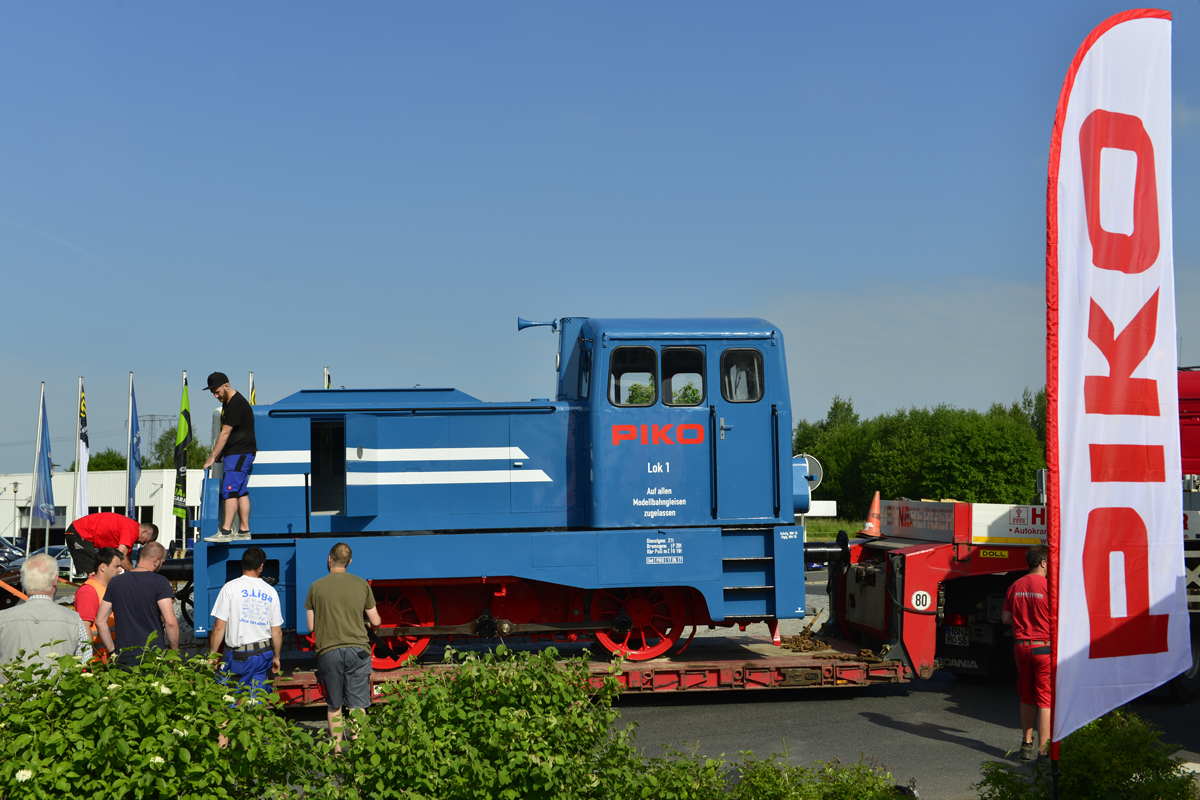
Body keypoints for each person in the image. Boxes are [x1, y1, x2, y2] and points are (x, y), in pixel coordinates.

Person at [304, 542, 381, 743]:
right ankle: (358, 749)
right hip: (358, 651)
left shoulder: (316, 587)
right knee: (357, 706)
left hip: (328, 652)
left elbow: (310, 627)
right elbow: (375, 621)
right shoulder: (362, 584)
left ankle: (337, 753)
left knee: (334, 705)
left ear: (329, 559)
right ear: (350, 562)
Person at [0, 554, 92, 680]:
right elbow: (84, 662)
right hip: (57, 697)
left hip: (12, 697)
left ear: (22, 582)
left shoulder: (3, 618)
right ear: (55, 580)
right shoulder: (74, 620)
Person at [210, 546, 283, 693]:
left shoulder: (230, 587)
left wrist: (212, 656)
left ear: (242, 564)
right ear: (261, 566)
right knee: (258, 701)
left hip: (238, 657)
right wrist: (276, 657)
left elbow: (219, 627)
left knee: (227, 700)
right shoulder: (271, 591)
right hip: (264, 654)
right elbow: (277, 631)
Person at [1003, 544, 1051, 763]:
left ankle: (1026, 745)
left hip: (1021, 647)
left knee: (1026, 695)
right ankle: (1043, 752)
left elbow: (1005, 618)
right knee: (1045, 700)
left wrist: (1024, 621)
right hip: (1043, 648)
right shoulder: (1050, 587)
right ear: (1042, 563)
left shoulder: (1015, 585)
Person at [95, 541, 179, 667]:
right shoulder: (160, 582)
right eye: (162, 562)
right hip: (152, 655)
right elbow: (170, 622)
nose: (161, 566)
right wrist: (173, 654)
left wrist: (112, 651)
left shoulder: (115, 582)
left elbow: (100, 621)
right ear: (156, 561)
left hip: (124, 656)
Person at [202, 371, 257, 543]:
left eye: (217, 391)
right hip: (239, 453)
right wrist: (223, 453)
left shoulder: (234, 403)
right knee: (240, 492)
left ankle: (225, 532)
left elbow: (225, 433)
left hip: (239, 453)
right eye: (213, 393)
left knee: (230, 491)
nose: (216, 396)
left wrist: (212, 457)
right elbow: (233, 433)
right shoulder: (229, 402)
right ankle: (243, 531)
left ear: (226, 385)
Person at [64, 511, 157, 574]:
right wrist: (135, 574)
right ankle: (92, 594)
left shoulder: (131, 528)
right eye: (145, 541)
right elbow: (121, 555)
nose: (142, 544)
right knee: (92, 570)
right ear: (144, 532)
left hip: (83, 534)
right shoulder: (132, 529)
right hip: (79, 532)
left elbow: (127, 558)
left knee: (98, 568)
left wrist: (133, 569)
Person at [74, 546, 122, 632]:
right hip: (98, 645)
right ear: (103, 567)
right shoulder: (88, 591)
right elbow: (84, 627)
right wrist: (89, 646)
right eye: (116, 566)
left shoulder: (108, 588)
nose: (120, 569)